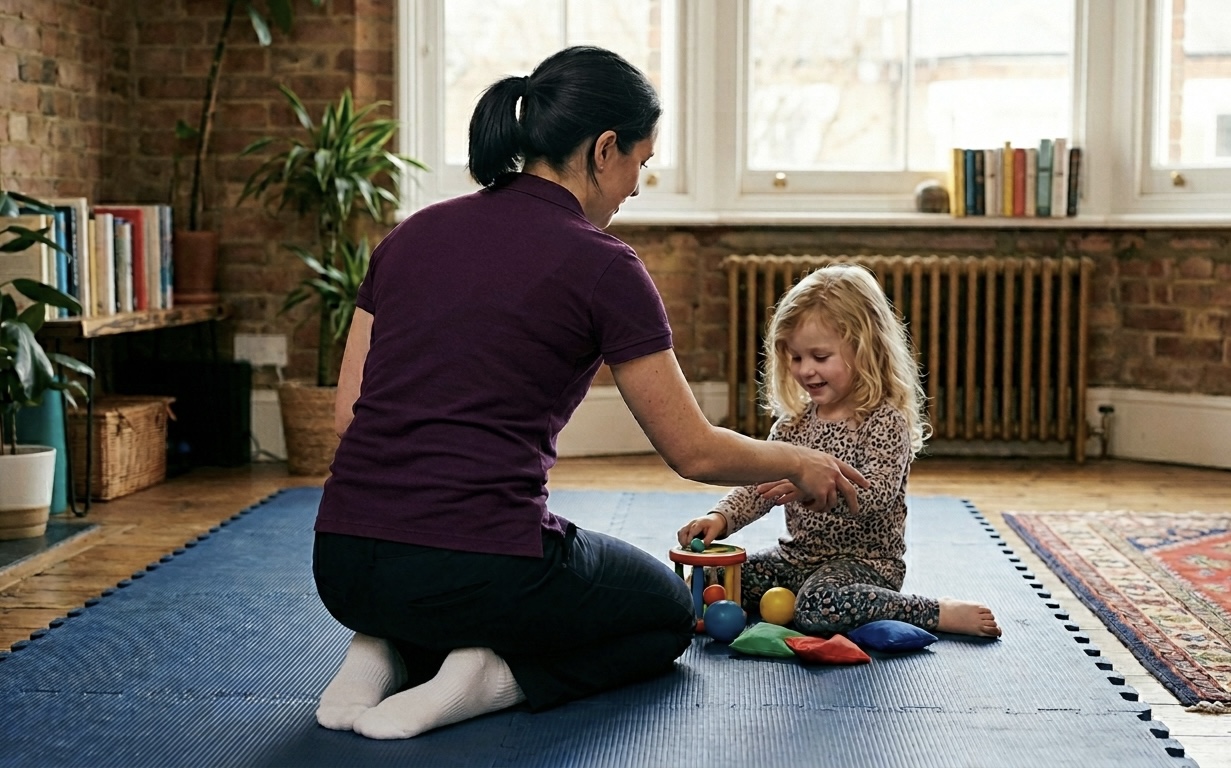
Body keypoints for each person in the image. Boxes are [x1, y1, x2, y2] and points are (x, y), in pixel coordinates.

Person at [311, 45, 870, 741]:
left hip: (340, 567)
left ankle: (381, 646)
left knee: (435, 577)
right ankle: (494, 679)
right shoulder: (602, 265)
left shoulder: (409, 234)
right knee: (662, 614)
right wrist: (795, 461)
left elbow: (347, 416)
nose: (636, 184)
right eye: (640, 160)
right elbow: (691, 452)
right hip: (477, 572)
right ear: (604, 149)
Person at [677, 264, 1002, 639]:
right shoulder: (793, 424)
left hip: (864, 566)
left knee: (819, 608)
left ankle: (933, 612)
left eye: (819, 356)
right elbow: (759, 486)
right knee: (715, 581)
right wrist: (720, 518)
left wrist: (812, 486)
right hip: (795, 560)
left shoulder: (883, 421)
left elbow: (877, 496)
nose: (805, 370)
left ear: (864, 350)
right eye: (796, 358)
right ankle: (799, 597)